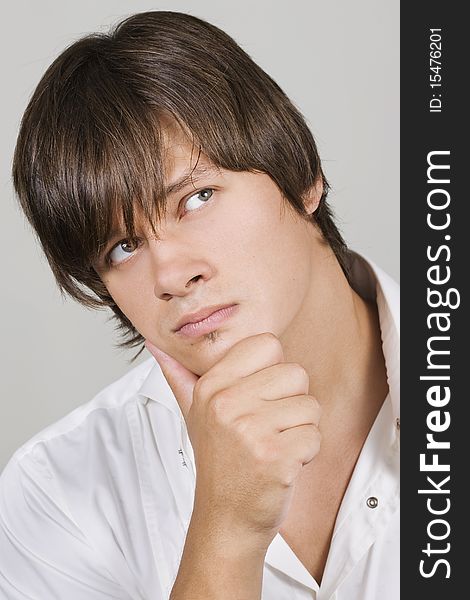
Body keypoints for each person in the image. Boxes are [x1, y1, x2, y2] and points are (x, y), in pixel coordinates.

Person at [0, 10, 399, 600]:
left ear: (303, 174)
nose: (171, 274)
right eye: (123, 247)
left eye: (197, 198)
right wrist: (226, 533)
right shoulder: (57, 491)